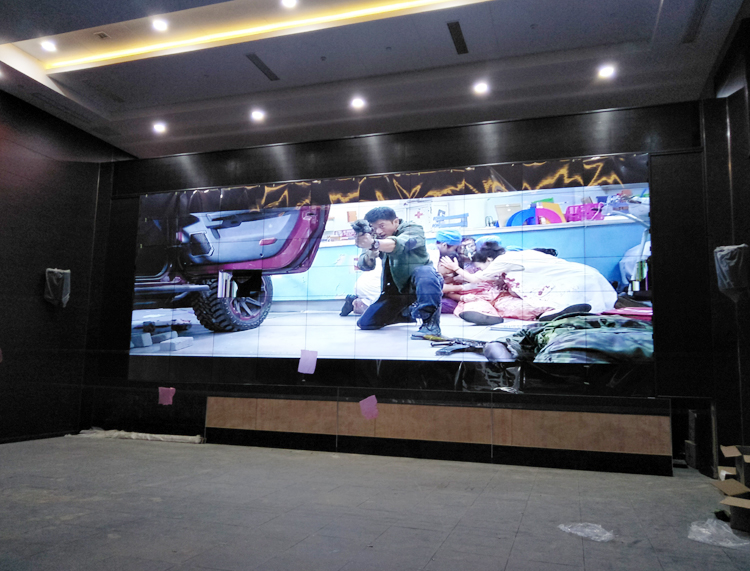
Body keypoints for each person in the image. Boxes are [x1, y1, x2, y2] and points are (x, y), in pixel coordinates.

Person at [355, 206, 443, 336]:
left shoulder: (413, 229)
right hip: (396, 290)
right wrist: (371, 254)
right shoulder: (375, 237)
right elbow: (364, 265)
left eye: (382, 226)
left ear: (395, 221)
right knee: (366, 323)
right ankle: (406, 314)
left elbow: (399, 244)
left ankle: (431, 324)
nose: (378, 231)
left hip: (419, 286)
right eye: (374, 228)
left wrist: (374, 244)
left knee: (425, 273)